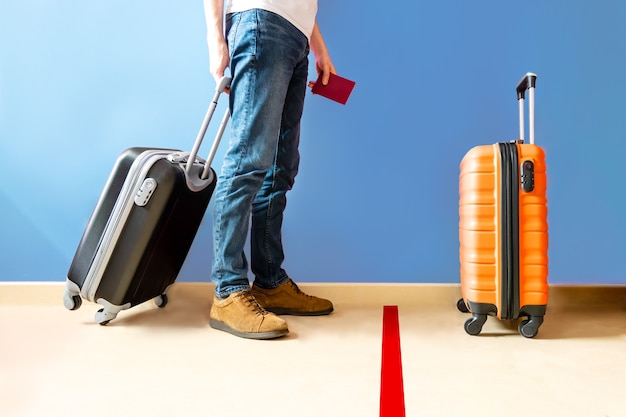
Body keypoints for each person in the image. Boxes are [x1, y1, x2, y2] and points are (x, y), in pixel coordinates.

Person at [203, 0, 336, 339]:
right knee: (249, 160)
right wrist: (215, 38)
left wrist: (318, 48)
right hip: (261, 20)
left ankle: (270, 282)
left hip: (297, 37)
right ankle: (228, 292)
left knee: (280, 168)